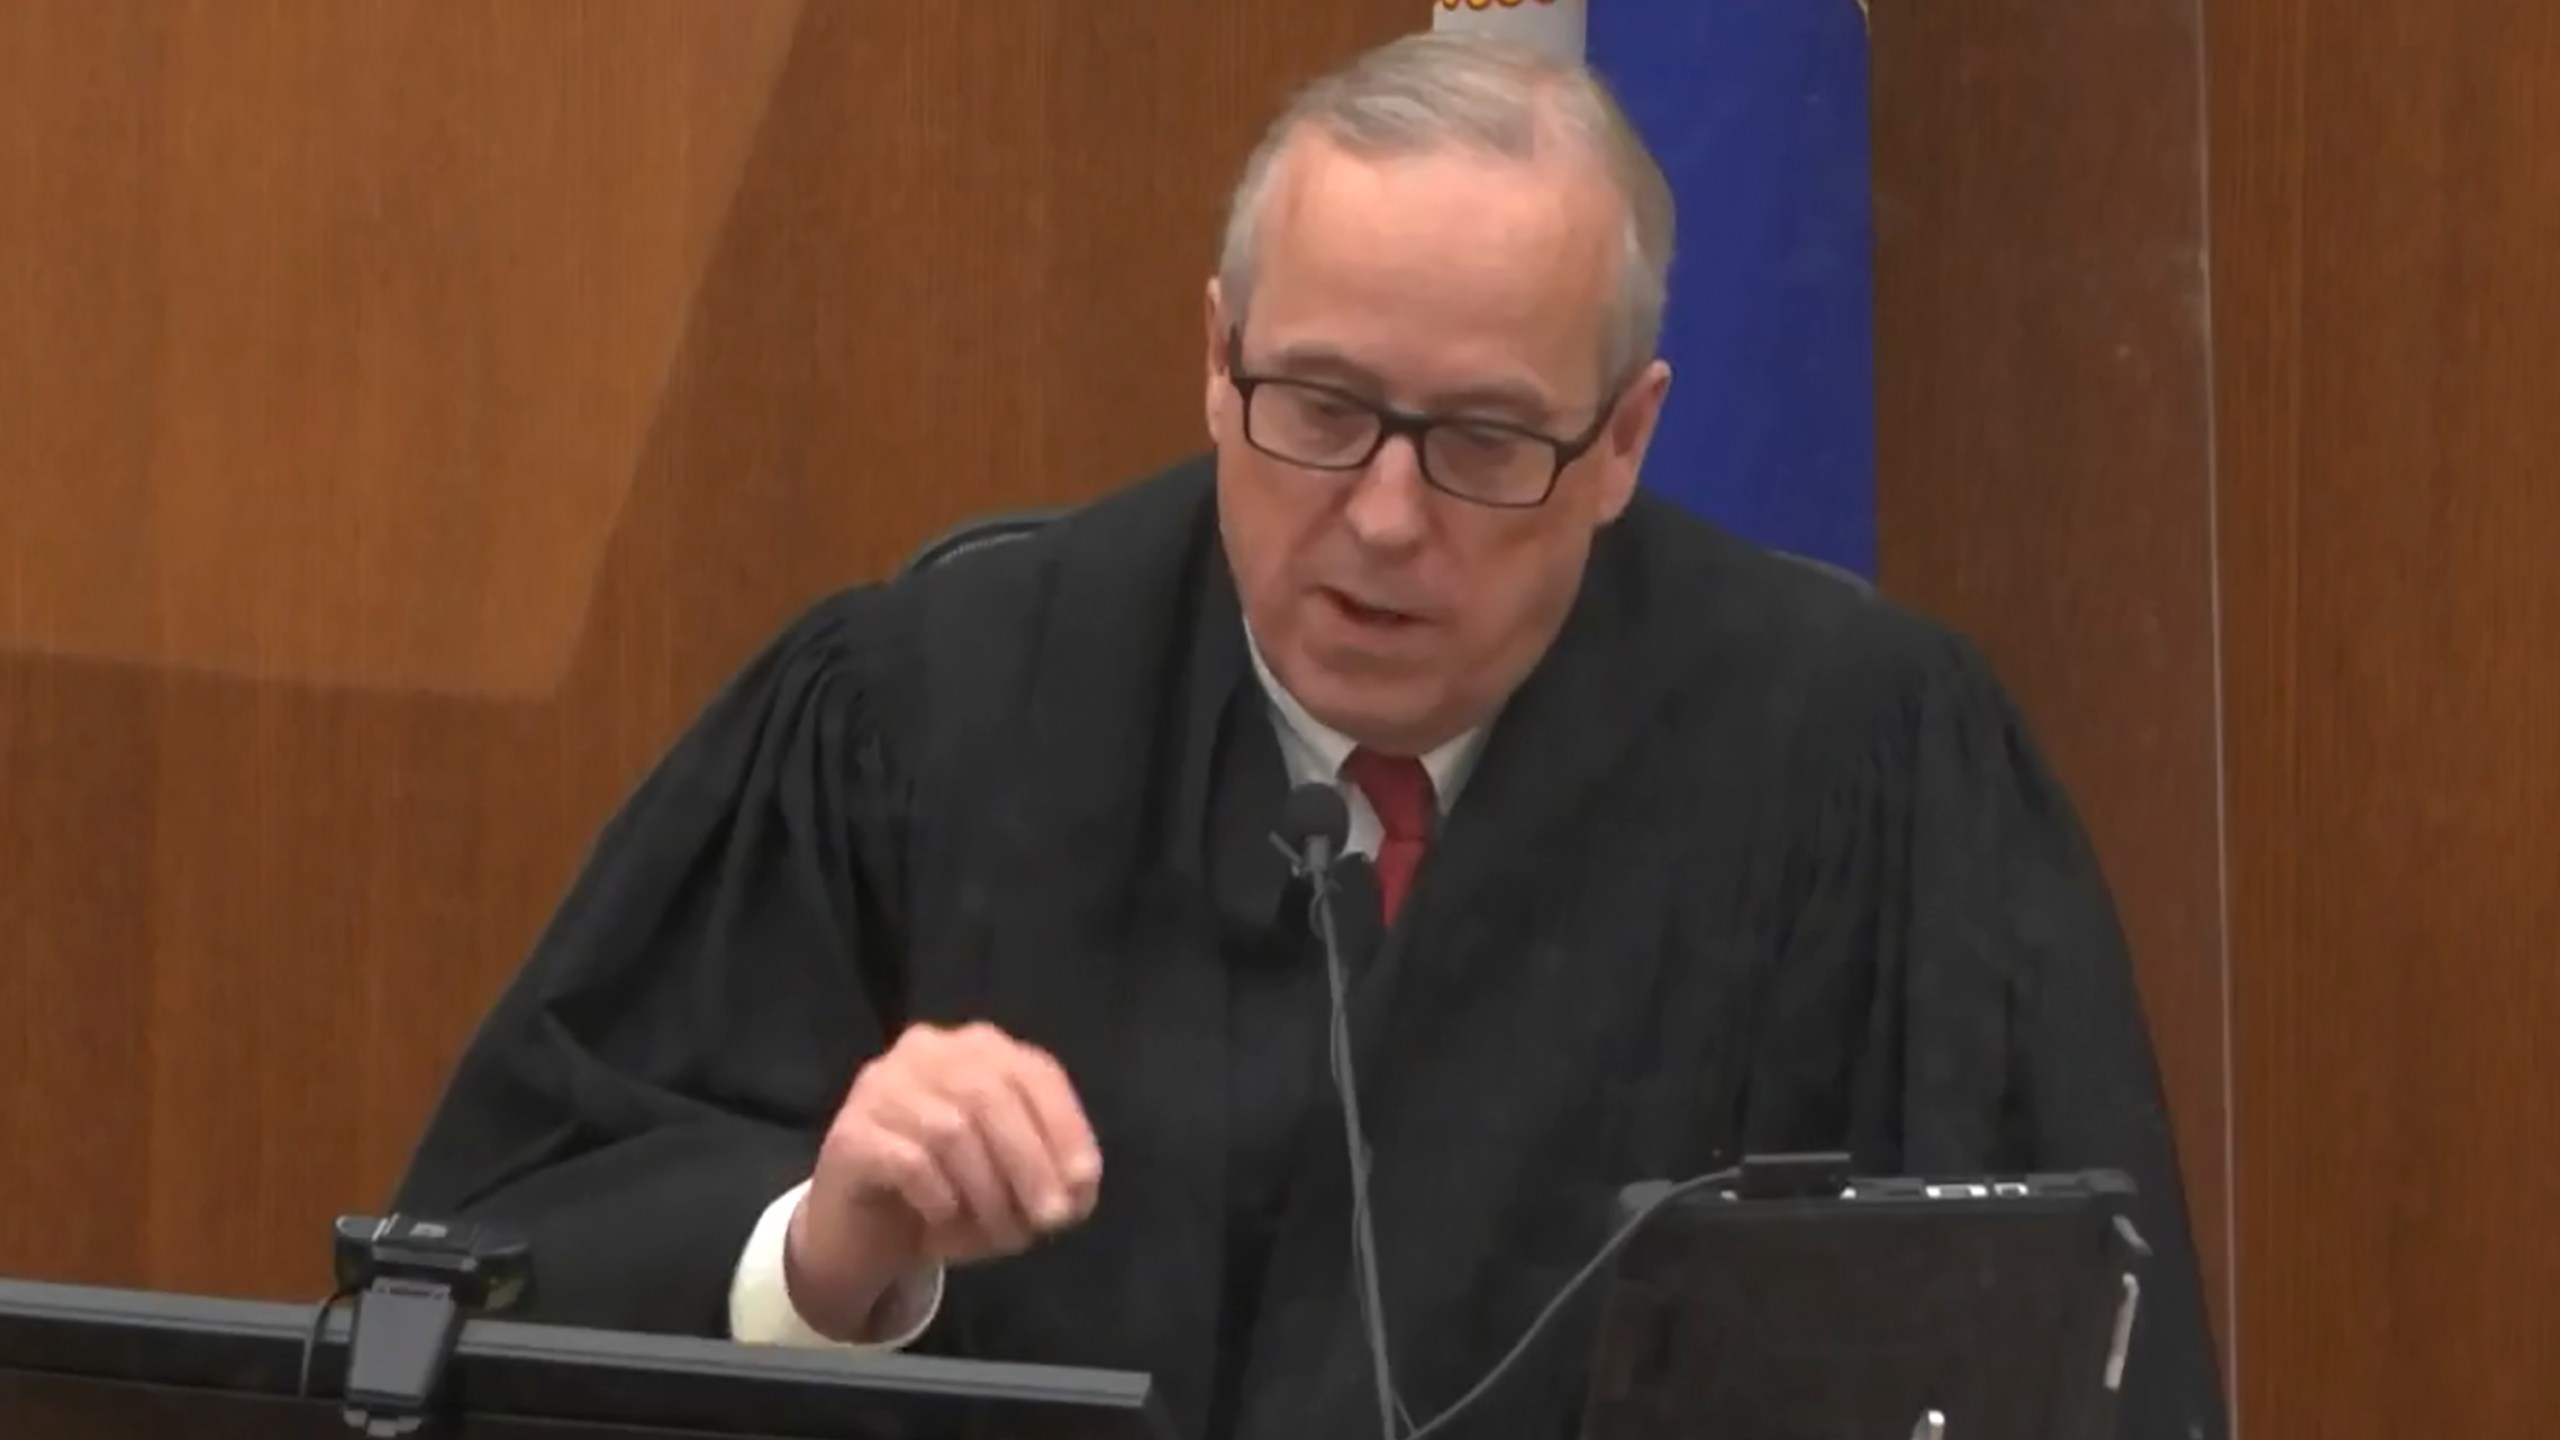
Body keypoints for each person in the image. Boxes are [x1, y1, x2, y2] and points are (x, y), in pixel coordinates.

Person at [394, 31, 2227, 1440]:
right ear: (1215, 355)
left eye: (1490, 443)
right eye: (1318, 407)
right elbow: (486, 1266)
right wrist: (823, 1248)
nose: (1381, 518)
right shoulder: (927, 708)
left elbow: (2063, 1350)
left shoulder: (1863, 768)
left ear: (1629, 441)